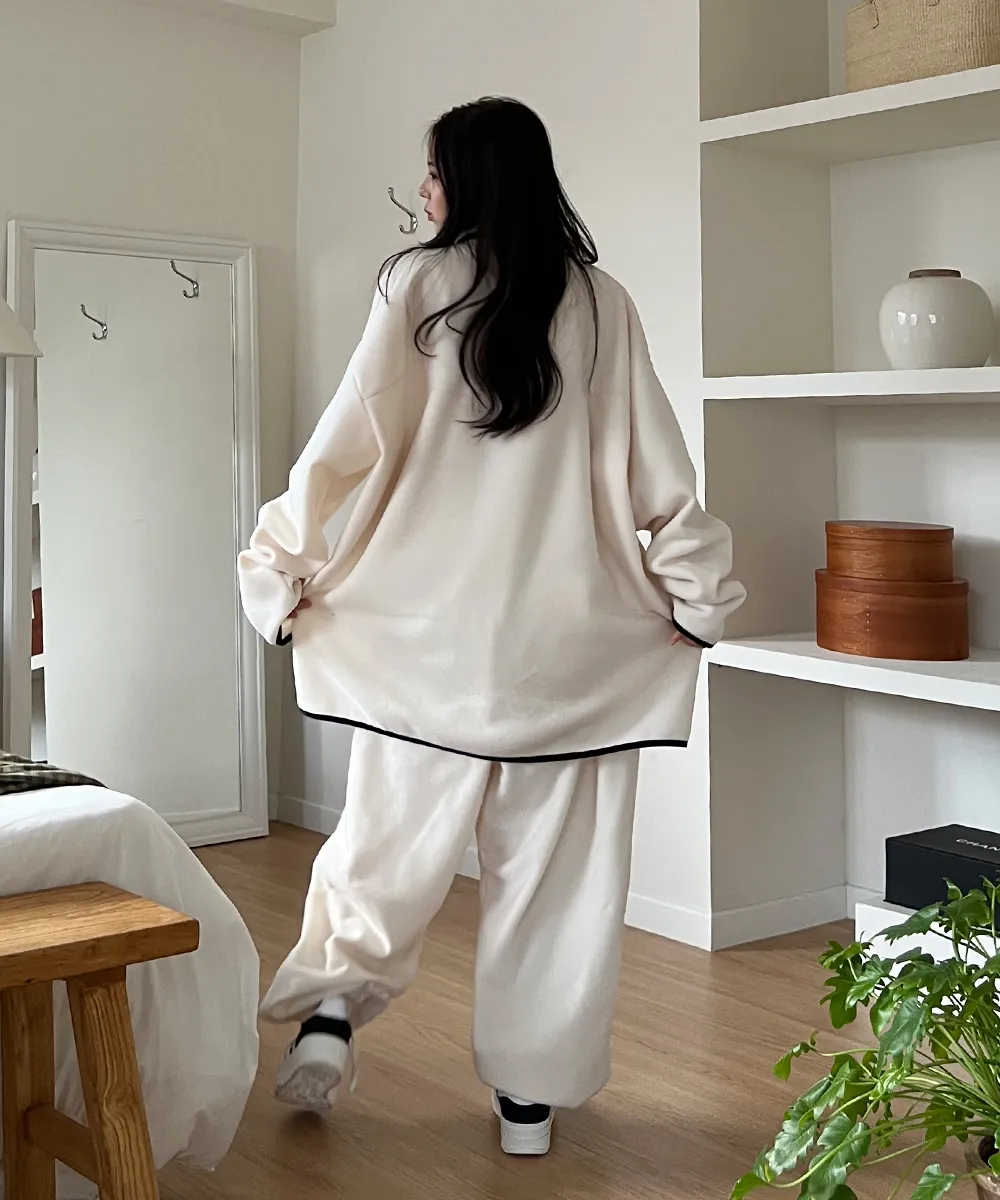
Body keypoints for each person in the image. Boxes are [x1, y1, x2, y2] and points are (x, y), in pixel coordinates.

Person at [238, 96, 745, 1156]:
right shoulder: (602, 303)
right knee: (557, 892)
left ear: (468, 177)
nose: (423, 191)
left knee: (382, 847)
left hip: (423, 648)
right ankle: (527, 1106)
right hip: (576, 656)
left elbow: (344, 446)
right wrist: (697, 598)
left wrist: (280, 567)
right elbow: (661, 474)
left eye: (432, 171)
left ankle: (332, 1013)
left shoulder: (418, 284)